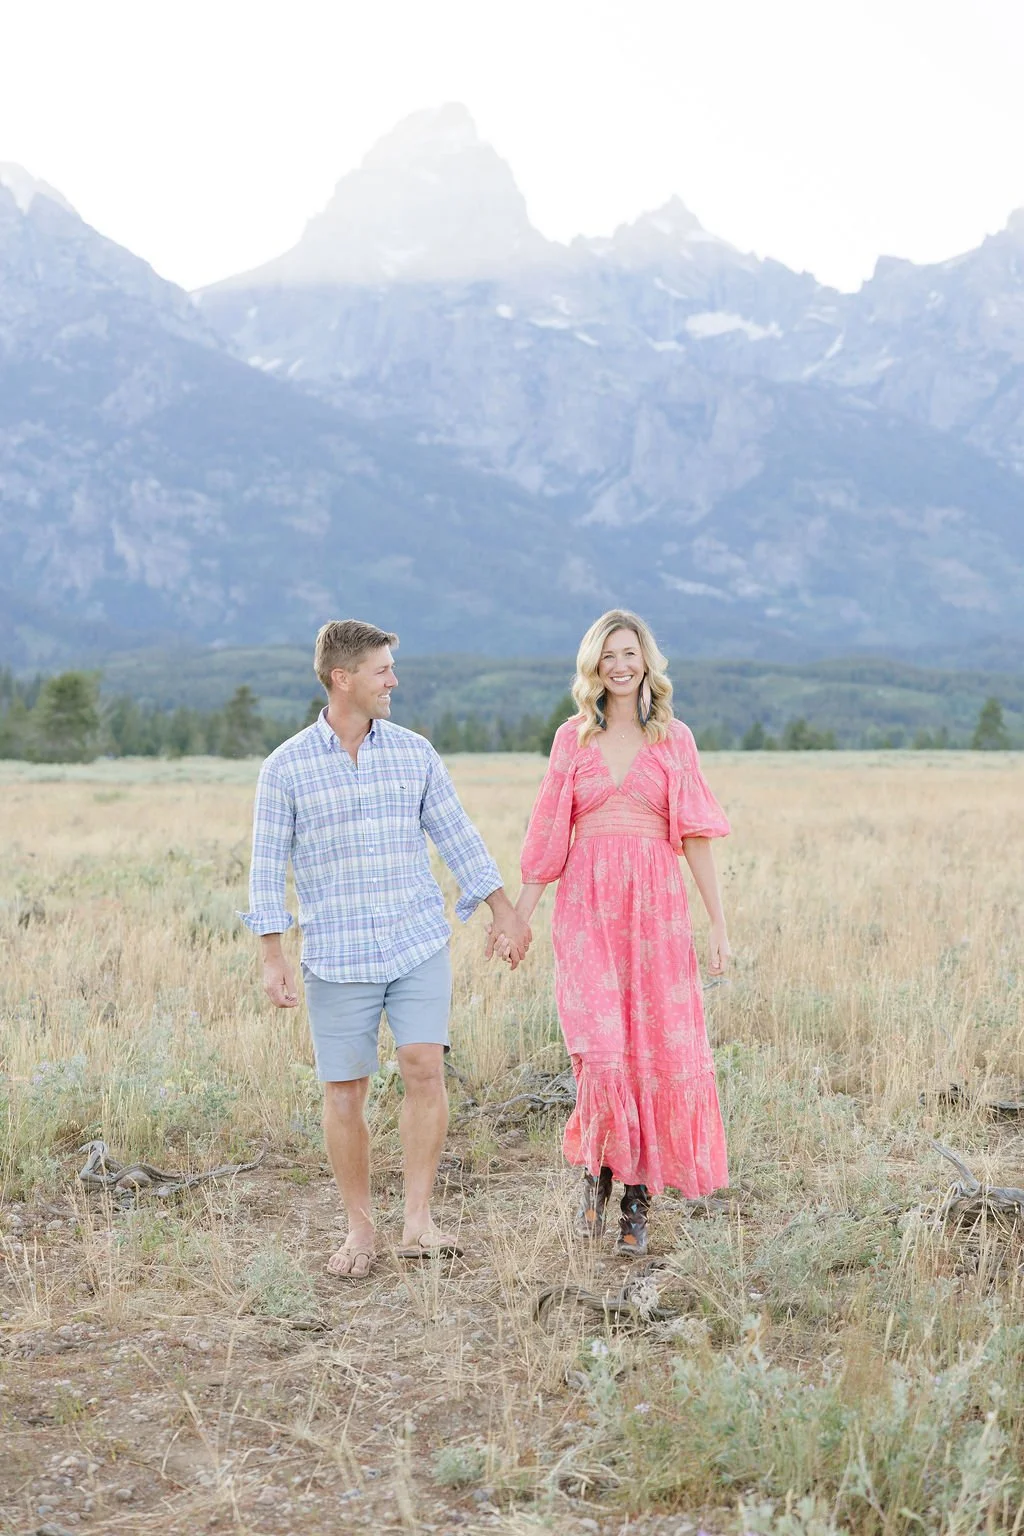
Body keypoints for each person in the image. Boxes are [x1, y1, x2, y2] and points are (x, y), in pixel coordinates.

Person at [241, 620, 531, 1279]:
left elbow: (458, 837)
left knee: (423, 1064)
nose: (393, 680)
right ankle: (360, 1230)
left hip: (414, 940)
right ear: (343, 678)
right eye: (382, 670)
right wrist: (272, 954)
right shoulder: (284, 768)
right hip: (336, 954)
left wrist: (504, 911)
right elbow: (266, 869)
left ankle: (419, 1222)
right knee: (344, 1090)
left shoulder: (415, 754)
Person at [511, 609, 731, 1257]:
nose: (620, 664)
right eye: (608, 655)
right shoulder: (571, 739)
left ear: (646, 660)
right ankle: (598, 1172)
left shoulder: (675, 739)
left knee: (652, 1054)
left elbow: (694, 836)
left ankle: (637, 1197)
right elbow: (548, 837)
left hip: (656, 917)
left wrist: (719, 925)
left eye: (630, 652)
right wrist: (518, 918)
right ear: (594, 666)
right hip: (586, 913)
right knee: (602, 1053)